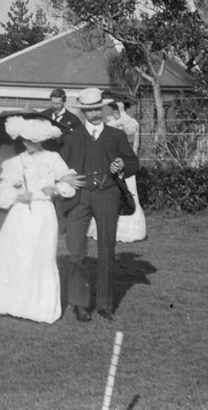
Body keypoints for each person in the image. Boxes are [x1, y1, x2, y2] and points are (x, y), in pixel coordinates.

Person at [0, 117, 80, 323]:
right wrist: (18, 195)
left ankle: (36, 308)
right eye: (24, 140)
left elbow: (69, 182)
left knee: (41, 256)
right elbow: (1, 191)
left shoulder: (53, 158)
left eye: (31, 140)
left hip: (44, 213)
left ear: (41, 140)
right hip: (21, 213)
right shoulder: (16, 162)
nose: (26, 144)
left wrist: (56, 189)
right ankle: (9, 301)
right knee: (15, 254)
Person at [58, 87, 141, 322]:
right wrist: (65, 177)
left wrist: (122, 165)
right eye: (89, 110)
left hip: (108, 196)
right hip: (80, 196)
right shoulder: (72, 137)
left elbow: (134, 163)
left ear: (103, 108)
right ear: (83, 112)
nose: (95, 114)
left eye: (97, 109)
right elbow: (58, 166)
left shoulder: (116, 136)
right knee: (76, 251)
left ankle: (105, 304)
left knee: (106, 249)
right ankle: (80, 303)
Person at [88, 100, 147, 243]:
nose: (115, 111)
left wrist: (123, 114)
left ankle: (128, 232)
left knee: (127, 196)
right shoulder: (108, 123)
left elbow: (130, 132)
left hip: (124, 164)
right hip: (108, 166)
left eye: (117, 108)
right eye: (113, 108)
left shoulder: (130, 122)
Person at [40, 88, 82, 152]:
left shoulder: (74, 120)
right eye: (53, 103)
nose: (55, 107)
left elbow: (77, 141)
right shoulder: (43, 115)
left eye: (58, 104)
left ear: (64, 102)